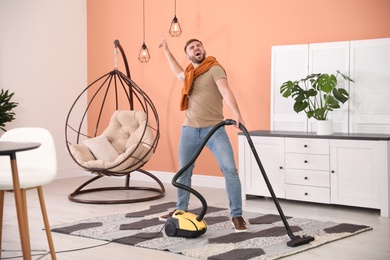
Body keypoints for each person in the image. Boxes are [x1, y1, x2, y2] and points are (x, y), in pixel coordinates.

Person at [159, 36, 247, 232]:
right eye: (192, 47)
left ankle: (237, 215)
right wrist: (166, 50)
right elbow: (177, 72)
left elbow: (225, 91)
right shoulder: (190, 73)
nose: (196, 48)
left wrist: (237, 114)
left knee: (230, 171)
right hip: (189, 129)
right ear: (188, 55)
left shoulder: (214, 68)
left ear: (203, 50)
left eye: (198, 45)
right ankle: (180, 211)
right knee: (183, 173)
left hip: (214, 129)